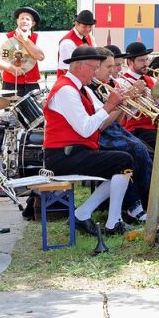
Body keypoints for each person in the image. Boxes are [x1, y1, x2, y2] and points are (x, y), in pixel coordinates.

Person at [42, 45, 133, 238]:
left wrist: (119, 104)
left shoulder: (80, 89)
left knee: (122, 162)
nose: (95, 73)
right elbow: (85, 128)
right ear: (80, 67)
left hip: (76, 151)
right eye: (93, 68)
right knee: (123, 161)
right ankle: (111, 222)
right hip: (62, 155)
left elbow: (102, 118)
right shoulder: (66, 90)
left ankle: (84, 214)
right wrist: (110, 105)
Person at [95, 46, 155, 222]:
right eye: (111, 67)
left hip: (115, 130)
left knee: (143, 151)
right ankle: (133, 205)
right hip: (102, 135)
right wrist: (118, 102)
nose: (116, 70)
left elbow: (119, 121)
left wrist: (125, 103)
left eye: (117, 66)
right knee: (135, 152)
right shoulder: (97, 88)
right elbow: (101, 124)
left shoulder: (109, 85)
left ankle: (141, 202)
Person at [0, 6, 45, 97]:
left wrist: (24, 40)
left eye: (28, 19)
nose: (24, 21)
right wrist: (10, 68)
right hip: (10, 84)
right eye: (22, 18)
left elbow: (41, 57)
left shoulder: (37, 38)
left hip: (32, 84)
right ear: (17, 21)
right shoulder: (7, 37)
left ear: (33, 23)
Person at [117, 41, 159, 149]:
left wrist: (158, 89)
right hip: (135, 129)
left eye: (147, 59)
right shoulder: (122, 81)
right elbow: (126, 114)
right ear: (130, 62)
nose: (146, 64)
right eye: (141, 60)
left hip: (155, 127)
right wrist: (135, 96)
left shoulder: (152, 80)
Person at [57, 9, 97, 76]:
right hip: (69, 83)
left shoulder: (90, 37)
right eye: (84, 26)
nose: (88, 30)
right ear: (76, 24)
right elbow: (67, 69)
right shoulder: (67, 43)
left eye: (90, 27)